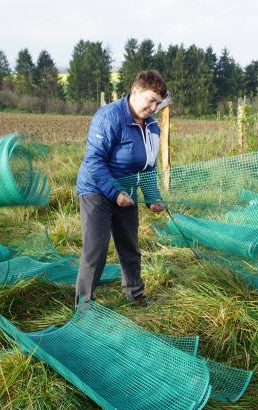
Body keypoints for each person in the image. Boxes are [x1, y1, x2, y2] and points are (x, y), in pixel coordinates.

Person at [74, 69, 167, 306]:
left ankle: (134, 294)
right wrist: (114, 194)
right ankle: (84, 305)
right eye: (151, 100)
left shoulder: (152, 127)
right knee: (96, 250)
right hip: (96, 190)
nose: (154, 108)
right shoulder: (109, 117)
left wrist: (152, 196)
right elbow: (93, 161)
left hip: (127, 193)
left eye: (158, 103)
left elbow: (148, 166)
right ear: (135, 92)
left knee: (130, 247)